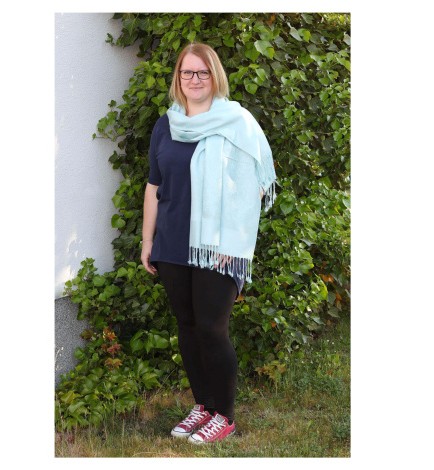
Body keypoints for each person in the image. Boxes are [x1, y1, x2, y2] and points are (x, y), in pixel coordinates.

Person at [140, 42, 277, 444]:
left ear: (215, 77)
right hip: (172, 242)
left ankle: (225, 416)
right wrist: (147, 240)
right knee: (187, 326)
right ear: (178, 78)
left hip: (219, 247)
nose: (194, 79)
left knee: (212, 329)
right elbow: (153, 185)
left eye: (202, 72)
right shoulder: (166, 124)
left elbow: (257, 184)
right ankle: (203, 405)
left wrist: (230, 232)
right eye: (187, 72)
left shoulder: (238, 122)